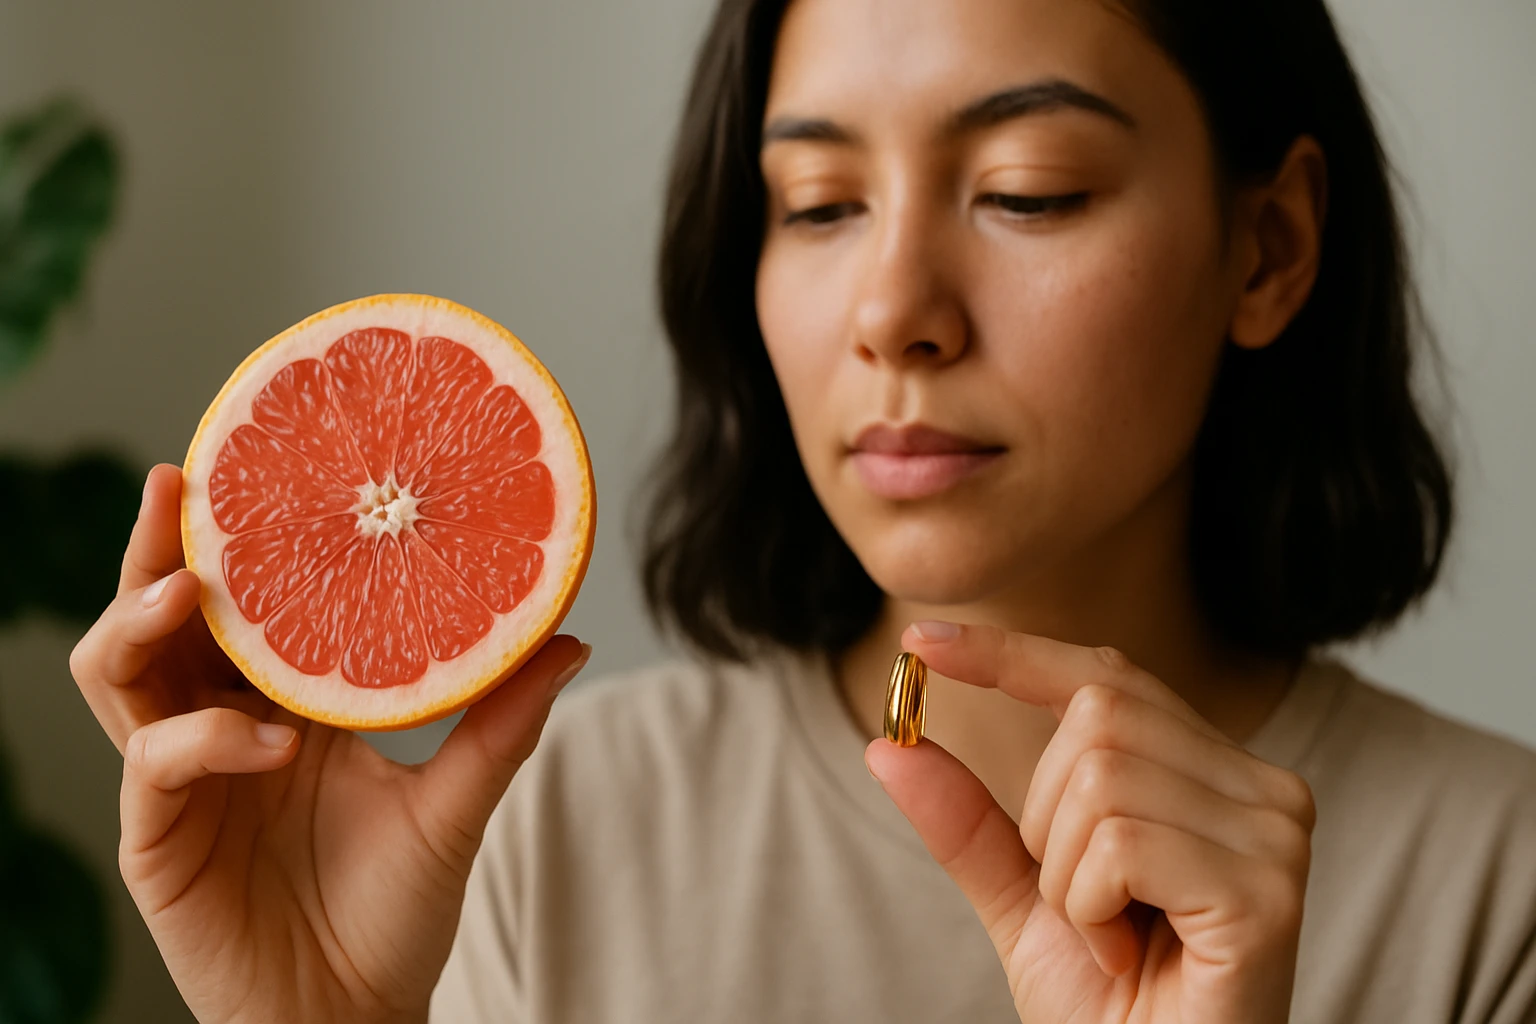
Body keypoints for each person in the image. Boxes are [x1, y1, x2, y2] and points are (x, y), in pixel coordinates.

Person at [68, 0, 1536, 1021]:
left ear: (1267, 248)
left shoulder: (1497, 891)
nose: (893, 312)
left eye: (1027, 191)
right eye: (821, 205)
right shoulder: (537, 831)